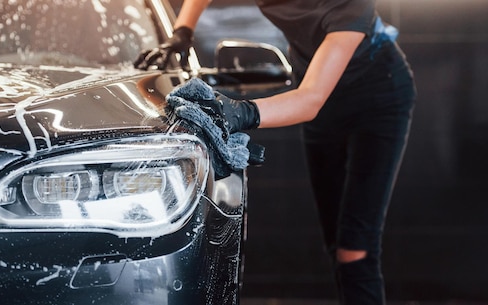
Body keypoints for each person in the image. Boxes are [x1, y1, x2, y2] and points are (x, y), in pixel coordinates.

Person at [135, 0, 416, 304]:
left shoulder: (350, 6)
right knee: (337, 242)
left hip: (377, 103)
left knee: (355, 248)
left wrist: (240, 113)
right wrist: (182, 33)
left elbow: (310, 100)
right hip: (324, 109)